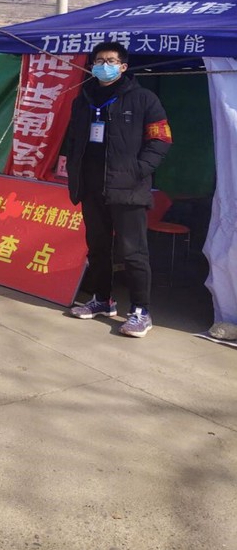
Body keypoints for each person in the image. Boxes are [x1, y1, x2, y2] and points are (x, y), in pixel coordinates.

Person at [65, 41, 172, 337]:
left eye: (111, 61)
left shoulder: (144, 99)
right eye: (99, 61)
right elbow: (73, 139)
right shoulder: (83, 99)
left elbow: (161, 139)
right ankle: (102, 300)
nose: (104, 65)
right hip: (91, 188)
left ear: (123, 66)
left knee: (133, 252)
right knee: (98, 248)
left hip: (128, 189)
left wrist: (139, 170)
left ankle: (141, 311)